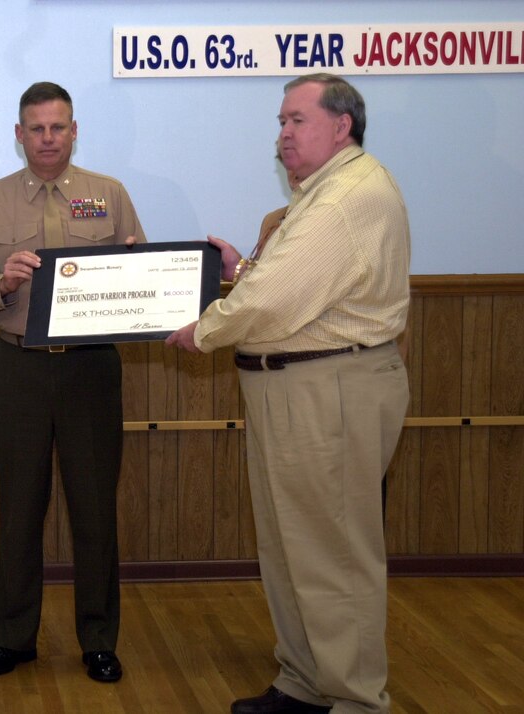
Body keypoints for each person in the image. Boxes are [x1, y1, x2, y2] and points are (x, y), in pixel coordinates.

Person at [167, 73, 410, 713]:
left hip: (329, 388)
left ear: (341, 126)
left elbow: (275, 300)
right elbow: (296, 286)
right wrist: (239, 274)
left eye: (296, 120)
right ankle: (306, 682)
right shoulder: (321, 193)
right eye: (281, 121)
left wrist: (206, 329)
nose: (282, 135)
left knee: (332, 554)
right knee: (291, 546)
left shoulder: (344, 197)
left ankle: (356, 699)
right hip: (301, 385)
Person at [0, 81, 145, 683]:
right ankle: (13, 637)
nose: (48, 138)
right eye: (36, 128)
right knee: (20, 507)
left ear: (74, 129)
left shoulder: (107, 195)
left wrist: (140, 266)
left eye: (58, 127)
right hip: (20, 368)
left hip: (91, 369)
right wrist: (0, 283)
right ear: (18, 134)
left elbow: (140, 272)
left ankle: (99, 639)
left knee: (94, 509)